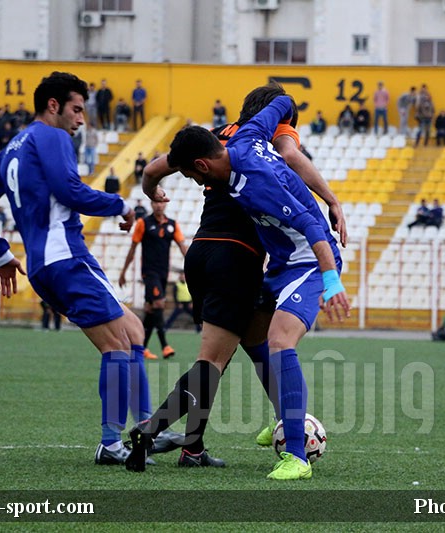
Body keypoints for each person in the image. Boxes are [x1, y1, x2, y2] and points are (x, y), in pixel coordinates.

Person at [124, 83, 345, 472]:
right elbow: (291, 151)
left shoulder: (230, 138)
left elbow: (154, 169)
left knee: (254, 342)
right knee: (218, 358)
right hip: (241, 257)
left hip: (205, 252)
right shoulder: (262, 139)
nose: (195, 180)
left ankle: (220, 444)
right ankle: (157, 428)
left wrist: (154, 193)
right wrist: (332, 199)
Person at [0, 71, 166, 467]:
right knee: (117, 346)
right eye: (76, 109)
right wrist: (122, 205)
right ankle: (112, 443)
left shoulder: (11, 149)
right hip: (66, 257)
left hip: (46, 265)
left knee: (134, 331)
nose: (81, 119)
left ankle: (146, 428)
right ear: (53, 106)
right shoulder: (51, 136)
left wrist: (1, 256)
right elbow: (69, 191)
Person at [118, 200, 187, 360]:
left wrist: (193, 265)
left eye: (161, 203)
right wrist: (123, 272)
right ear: (151, 204)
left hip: (163, 274)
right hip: (149, 273)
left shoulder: (172, 225)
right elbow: (133, 248)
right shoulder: (143, 223)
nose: (158, 206)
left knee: (150, 310)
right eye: (155, 202)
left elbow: (183, 247)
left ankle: (140, 348)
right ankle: (165, 346)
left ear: (166, 205)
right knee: (159, 304)